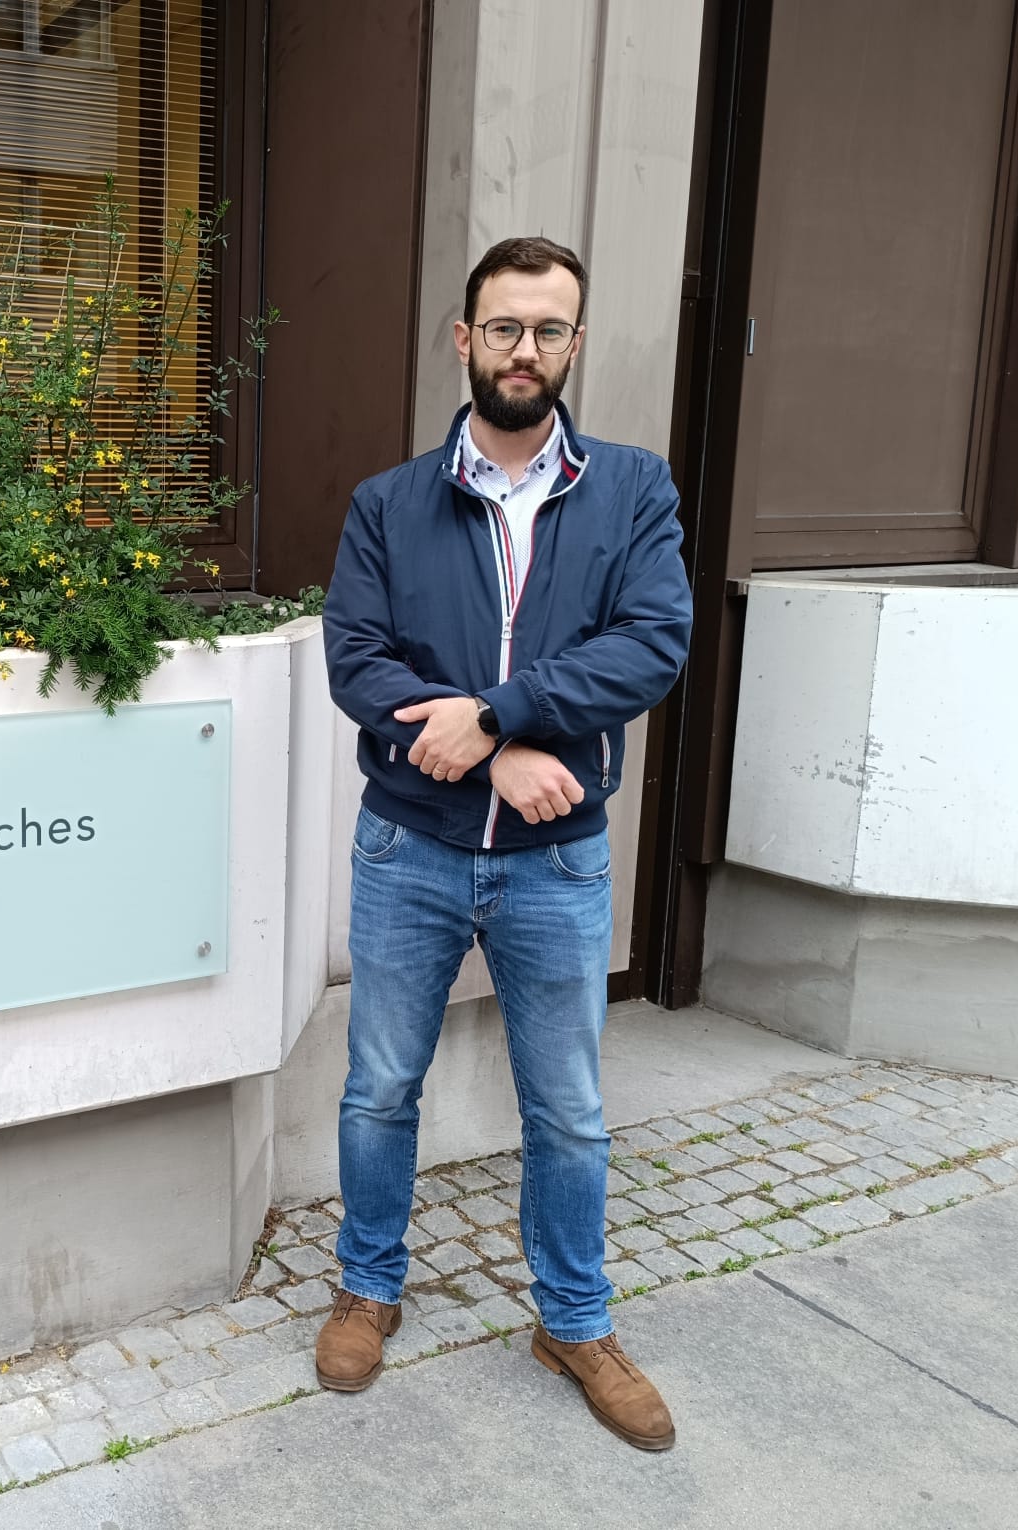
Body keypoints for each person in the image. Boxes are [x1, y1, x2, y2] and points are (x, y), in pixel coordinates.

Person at [315, 236, 693, 1450]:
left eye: (548, 329)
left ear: (575, 344)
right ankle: (367, 1288)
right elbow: (358, 661)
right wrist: (495, 752)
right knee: (382, 1087)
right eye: (503, 327)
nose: (523, 350)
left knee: (569, 1109)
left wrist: (498, 714)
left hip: (556, 860)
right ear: (464, 339)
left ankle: (573, 1321)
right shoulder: (389, 503)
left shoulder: (632, 489)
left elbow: (651, 645)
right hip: (411, 850)